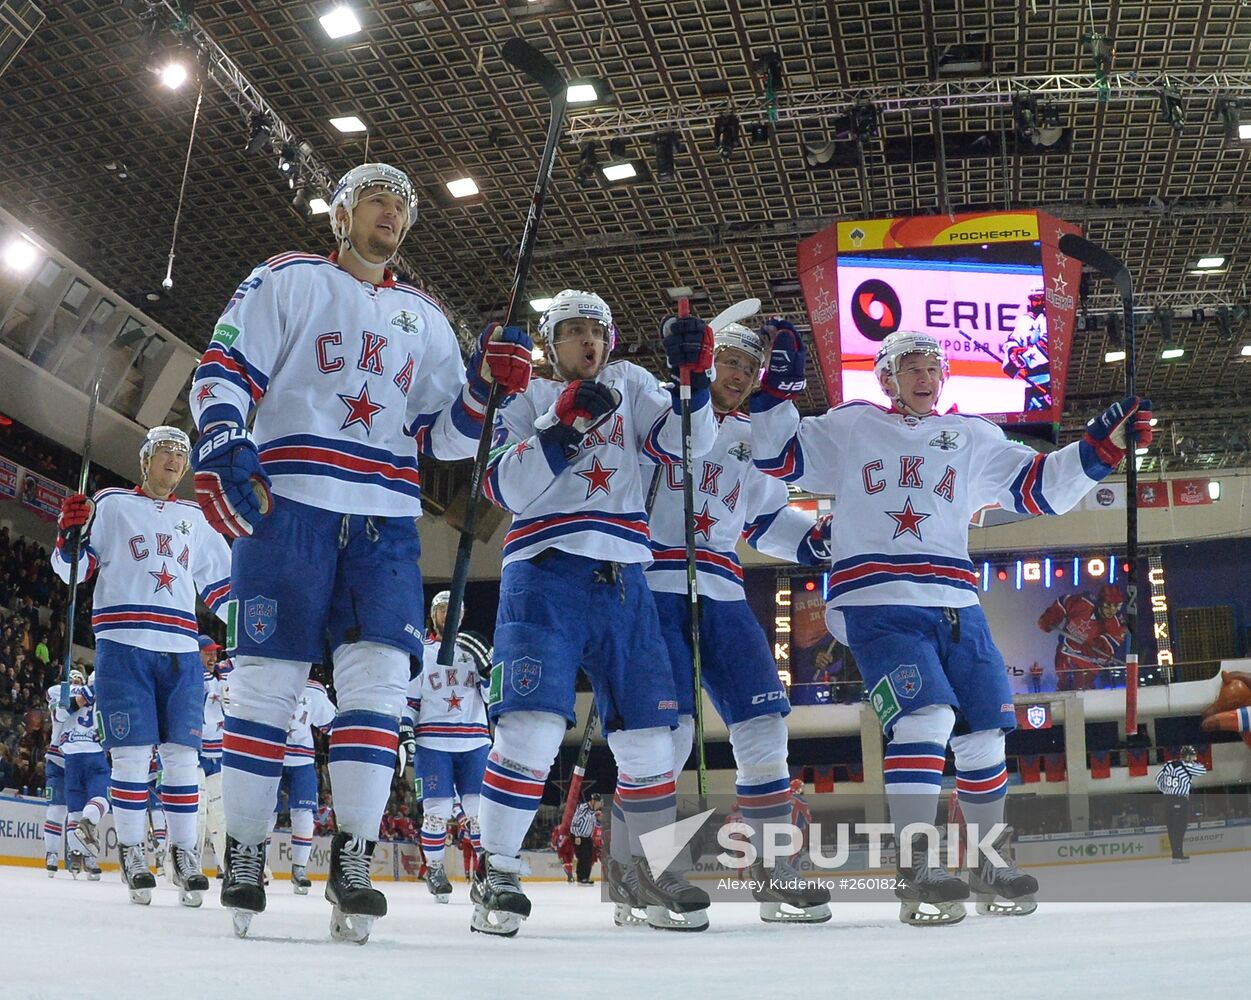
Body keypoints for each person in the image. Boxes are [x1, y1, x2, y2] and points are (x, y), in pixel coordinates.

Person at [187, 161, 532, 942]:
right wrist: (222, 437)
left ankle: (352, 858)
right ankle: (244, 852)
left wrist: (485, 387)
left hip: (384, 517)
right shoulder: (286, 278)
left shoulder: (426, 317)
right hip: (289, 504)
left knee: (376, 685)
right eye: (377, 198)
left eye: (403, 205)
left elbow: (446, 435)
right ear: (339, 213)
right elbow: (225, 367)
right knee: (266, 684)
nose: (393, 213)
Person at [750, 326, 1153, 925]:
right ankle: (915, 864)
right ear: (886, 377)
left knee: (986, 730)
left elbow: (1040, 488)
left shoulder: (971, 435)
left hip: (957, 602)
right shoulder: (852, 424)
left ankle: (988, 862)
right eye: (910, 368)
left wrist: (1101, 449)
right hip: (877, 600)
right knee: (926, 717)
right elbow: (777, 456)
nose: (925, 378)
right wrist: (774, 392)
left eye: (932, 368)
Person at [474, 287, 716, 935]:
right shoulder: (524, 396)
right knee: (529, 729)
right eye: (573, 330)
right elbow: (504, 486)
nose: (588, 340)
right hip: (543, 573)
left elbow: (688, 446)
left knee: (648, 740)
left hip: (625, 577)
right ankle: (495, 870)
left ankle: (645, 871)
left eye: (596, 330)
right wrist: (564, 423)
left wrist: (694, 381)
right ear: (550, 344)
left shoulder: (633, 382)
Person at [631, 320, 831, 925]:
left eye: (751, 366)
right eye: (730, 362)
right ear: (707, 361)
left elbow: (767, 518)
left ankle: (773, 868)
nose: (740, 375)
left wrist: (818, 542)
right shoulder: (659, 412)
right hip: (655, 582)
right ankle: (647, 869)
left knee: (765, 721)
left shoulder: (755, 436)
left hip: (721, 586)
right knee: (666, 734)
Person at [52, 425, 230, 908]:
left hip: (180, 648)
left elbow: (222, 587)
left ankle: (183, 854)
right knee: (131, 756)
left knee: (183, 758)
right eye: (166, 451)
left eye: (181, 454)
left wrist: (261, 636)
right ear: (146, 459)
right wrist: (68, 538)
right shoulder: (110, 504)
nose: (174, 460)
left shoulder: (196, 517)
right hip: (123, 646)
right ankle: (132, 852)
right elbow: (74, 571)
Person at [399, 590, 491, 904]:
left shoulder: (473, 650)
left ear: (462, 615)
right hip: (433, 742)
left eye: (454, 610)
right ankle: (435, 869)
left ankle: (486, 871)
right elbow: (410, 702)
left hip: (475, 740)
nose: (447, 615)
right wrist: (405, 729)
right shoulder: (421, 652)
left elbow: (495, 698)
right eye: (442, 609)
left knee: (480, 813)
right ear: (433, 614)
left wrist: (490, 669)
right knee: (436, 812)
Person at [271, 676, 335, 894]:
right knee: (266, 813)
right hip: (272, 756)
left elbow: (331, 725)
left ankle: (299, 868)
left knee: (304, 814)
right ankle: (259, 866)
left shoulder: (314, 689)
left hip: (302, 760)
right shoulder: (271, 679)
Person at [57, 670, 107, 881]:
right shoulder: (105, 690)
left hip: (71, 755)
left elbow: (60, 714)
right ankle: (88, 831)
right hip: (93, 753)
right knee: (102, 799)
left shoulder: (63, 692)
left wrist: (62, 700)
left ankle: (75, 853)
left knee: (75, 806)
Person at [1038, 584, 1126, 691]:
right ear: (1100, 602)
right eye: (1108, 605)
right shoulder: (1082, 602)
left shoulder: (1117, 624)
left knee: (1081, 687)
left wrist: (1097, 645)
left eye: (1117, 606)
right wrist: (1051, 616)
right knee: (1065, 684)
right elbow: (1063, 603)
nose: (1112, 610)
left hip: (1090, 663)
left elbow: (1112, 644)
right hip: (1067, 652)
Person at [197, 635, 230, 877]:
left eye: (215, 652)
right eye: (207, 652)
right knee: (196, 815)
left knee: (221, 817)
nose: (213, 656)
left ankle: (230, 866)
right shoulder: (188, 678)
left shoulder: (222, 679)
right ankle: (185, 866)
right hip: (194, 755)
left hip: (217, 756)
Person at [42, 673, 76, 875]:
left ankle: (79, 852)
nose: (77, 684)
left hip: (80, 759)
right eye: (73, 680)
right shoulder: (58, 694)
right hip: (58, 758)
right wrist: (75, 689)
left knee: (80, 811)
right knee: (57, 808)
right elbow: (50, 692)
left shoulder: (89, 697)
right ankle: (52, 853)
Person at [1156, 745, 1207, 861]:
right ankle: (1178, 853)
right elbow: (1202, 770)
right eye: (1193, 756)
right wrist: (1193, 763)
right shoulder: (1187, 767)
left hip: (1168, 799)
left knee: (1171, 827)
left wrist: (1165, 790)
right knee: (1180, 827)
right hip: (1180, 799)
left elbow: (1158, 779)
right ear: (1188, 756)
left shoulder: (1168, 764)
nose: (1194, 758)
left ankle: (1175, 852)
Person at [1004, 286, 1050, 410]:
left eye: (1042, 298)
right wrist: (1012, 354)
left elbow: (1049, 345)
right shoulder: (1024, 320)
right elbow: (1012, 341)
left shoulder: (1051, 319)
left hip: (1051, 381)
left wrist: (1024, 358)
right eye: (1036, 299)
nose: (1039, 302)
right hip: (1031, 382)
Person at [570, 793, 600, 885]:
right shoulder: (583, 808)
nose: (599, 805)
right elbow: (575, 821)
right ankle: (581, 877)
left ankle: (585, 877)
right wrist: (577, 835)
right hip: (579, 836)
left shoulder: (593, 811)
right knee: (583, 857)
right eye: (598, 803)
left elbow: (592, 824)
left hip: (587, 837)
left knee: (589, 858)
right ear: (593, 801)